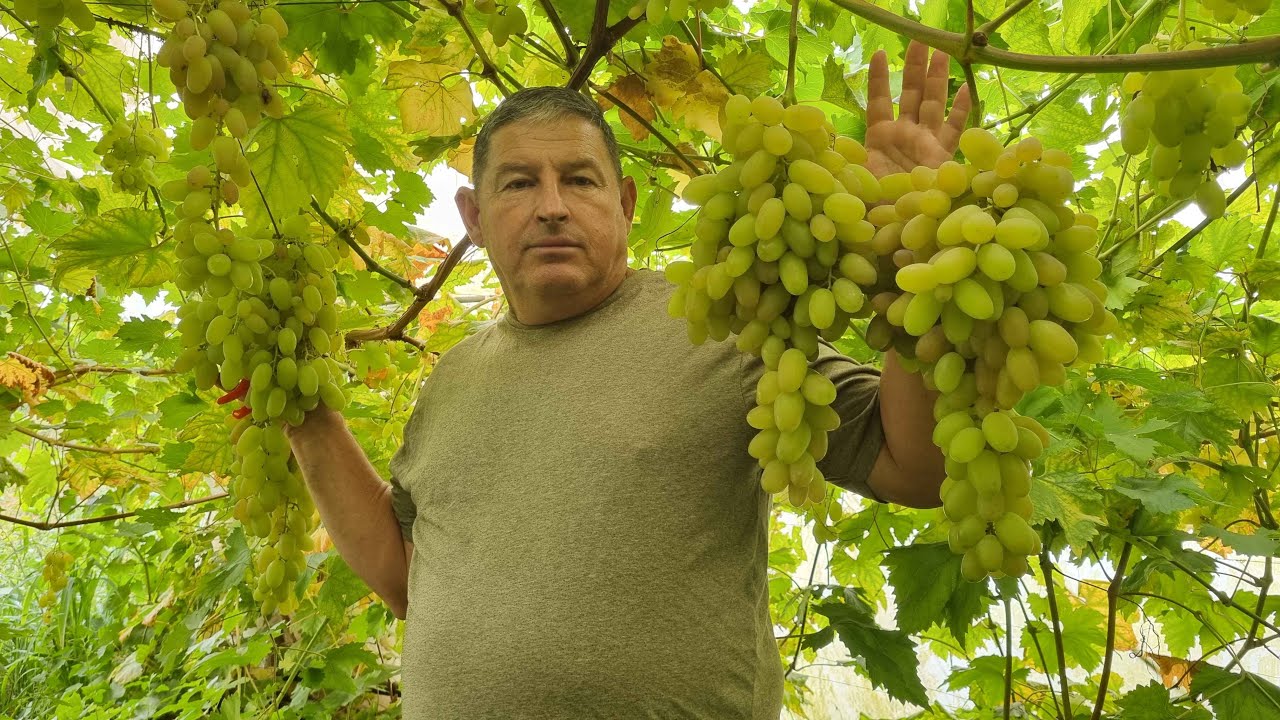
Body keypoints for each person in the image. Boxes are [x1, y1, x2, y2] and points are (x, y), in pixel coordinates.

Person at [287, 40, 970, 720]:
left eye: (579, 181)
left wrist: (911, 254)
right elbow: (410, 575)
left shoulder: (723, 324)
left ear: (626, 202)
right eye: (519, 183)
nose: (551, 205)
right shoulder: (453, 377)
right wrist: (306, 420)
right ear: (474, 218)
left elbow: (915, 467)